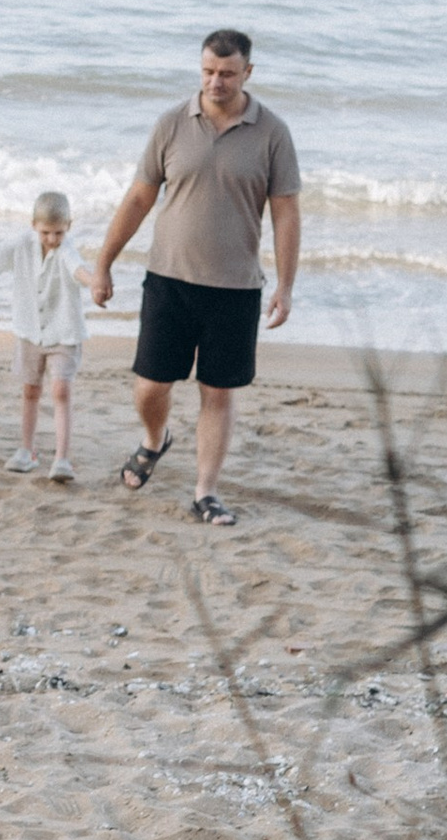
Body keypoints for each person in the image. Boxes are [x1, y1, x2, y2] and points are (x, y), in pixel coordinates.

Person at [87, 28, 300, 525]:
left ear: (248, 72)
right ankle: (153, 439)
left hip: (236, 288)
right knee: (149, 385)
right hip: (169, 280)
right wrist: (103, 263)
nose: (215, 82)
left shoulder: (272, 132)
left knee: (218, 392)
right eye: (207, 71)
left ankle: (205, 491)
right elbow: (139, 198)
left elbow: (287, 213)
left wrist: (286, 286)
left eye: (227, 73)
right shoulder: (171, 124)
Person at [6, 188, 86, 482]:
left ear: (69, 227)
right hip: (30, 331)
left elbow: (78, 269)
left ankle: (62, 458)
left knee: (60, 390)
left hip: (63, 332)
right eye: (45, 233)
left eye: (58, 233)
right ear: (33, 226)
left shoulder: (66, 250)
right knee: (30, 390)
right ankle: (27, 450)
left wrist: (97, 283)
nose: (52, 240)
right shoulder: (22, 246)